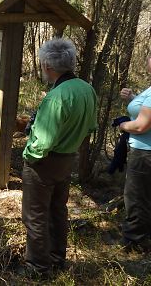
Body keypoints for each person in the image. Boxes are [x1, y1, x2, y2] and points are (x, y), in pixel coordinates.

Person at [20, 39, 97, 278]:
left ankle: (38, 267)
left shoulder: (57, 97)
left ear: (47, 65)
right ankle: (56, 258)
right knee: (57, 210)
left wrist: (29, 156)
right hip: (67, 159)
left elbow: (43, 141)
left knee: (35, 215)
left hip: (45, 162)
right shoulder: (86, 88)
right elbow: (90, 126)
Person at [118, 42, 151, 251]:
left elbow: (142, 124)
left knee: (135, 196)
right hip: (150, 150)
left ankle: (134, 243)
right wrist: (134, 98)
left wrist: (123, 125)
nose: (148, 58)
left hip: (148, 152)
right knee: (145, 194)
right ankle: (149, 231)